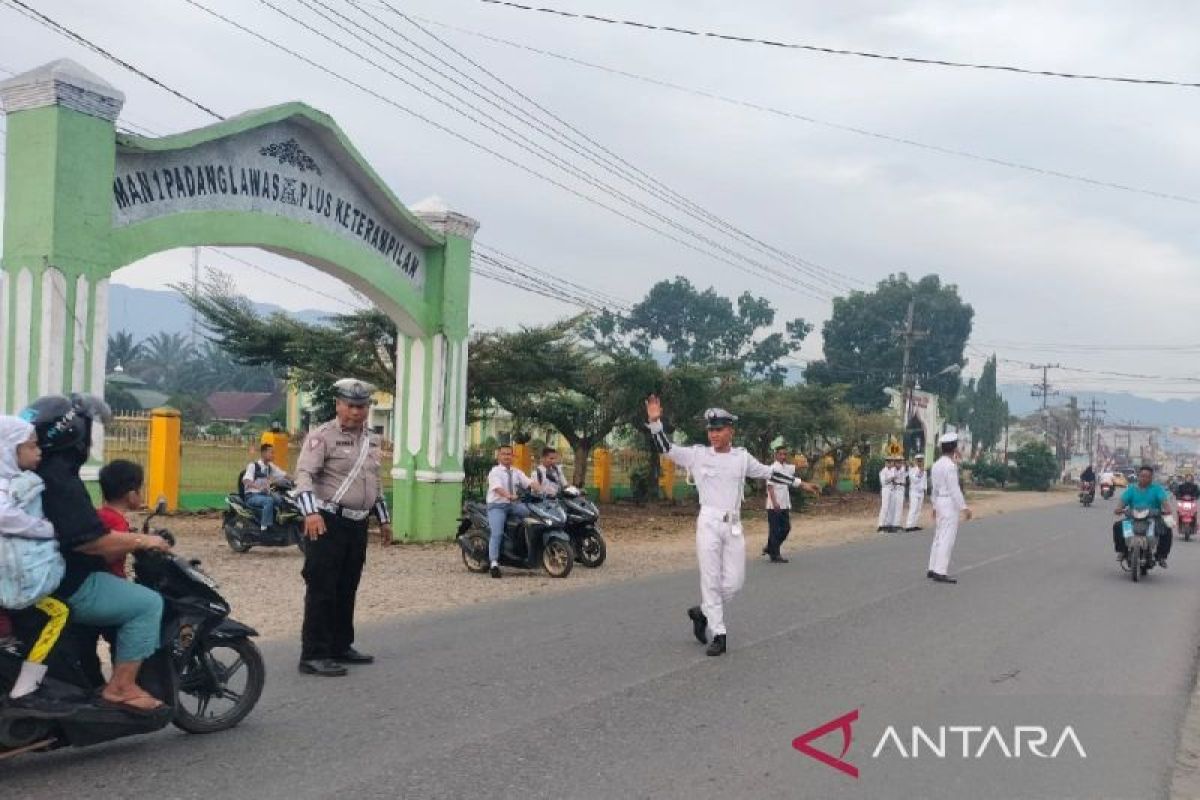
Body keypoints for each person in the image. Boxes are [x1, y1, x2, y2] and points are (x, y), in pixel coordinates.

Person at [22, 394, 170, 713]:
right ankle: (121, 686)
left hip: (28, 577)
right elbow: (92, 542)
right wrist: (145, 542)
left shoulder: (25, 473)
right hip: (64, 583)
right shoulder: (59, 479)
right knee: (147, 603)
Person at [645, 396, 808, 656]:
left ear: (731, 431)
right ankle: (719, 634)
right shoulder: (697, 455)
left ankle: (702, 612)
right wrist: (655, 422)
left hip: (733, 526)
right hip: (708, 523)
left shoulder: (742, 458)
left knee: (734, 582)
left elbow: (769, 473)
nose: (713, 435)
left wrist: (799, 483)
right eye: (710, 430)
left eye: (719, 429)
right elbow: (667, 448)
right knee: (710, 579)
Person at [294, 379, 391, 677]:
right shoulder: (322, 436)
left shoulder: (371, 440)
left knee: (347, 585)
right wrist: (310, 514)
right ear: (338, 404)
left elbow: (375, 482)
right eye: (350, 405)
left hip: (357, 523)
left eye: (362, 406)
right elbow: (304, 476)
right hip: (326, 521)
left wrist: (384, 518)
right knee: (322, 587)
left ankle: (340, 645)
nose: (356, 412)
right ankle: (314, 654)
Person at [0, 415, 72, 717]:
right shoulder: (6, 485)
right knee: (58, 613)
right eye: (31, 445)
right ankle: (26, 688)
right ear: (9, 449)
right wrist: (47, 529)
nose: (38, 450)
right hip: (12, 583)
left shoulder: (15, 482)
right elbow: (4, 516)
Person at [485, 445, 541, 578]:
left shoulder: (516, 472)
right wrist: (508, 495)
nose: (506, 456)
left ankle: (529, 550)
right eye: (503, 454)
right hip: (497, 505)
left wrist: (538, 487)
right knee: (497, 533)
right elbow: (497, 488)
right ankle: (493, 563)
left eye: (509, 454)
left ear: (513, 456)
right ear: (498, 456)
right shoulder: (495, 472)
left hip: (513, 505)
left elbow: (528, 482)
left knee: (534, 516)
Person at [762, 444, 819, 563]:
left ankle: (770, 547)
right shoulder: (773, 468)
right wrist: (775, 502)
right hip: (774, 505)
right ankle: (775, 554)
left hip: (785, 503)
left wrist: (806, 461)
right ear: (776, 455)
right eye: (781, 454)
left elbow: (796, 468)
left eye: (785, 454)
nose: (783, 456)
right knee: (774, 530)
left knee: (786, 528)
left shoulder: (786, 468)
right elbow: (770, 487)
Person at [928, 433, 972, 584]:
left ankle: (932, 568)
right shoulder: (950, 466)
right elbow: (955, 490)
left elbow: (933, 489)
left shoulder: (936, 465)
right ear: (954, 447)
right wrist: (964, 508)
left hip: (939, 501)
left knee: (939, 536)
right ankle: (940, 571)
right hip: (948, 503)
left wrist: (934, 505)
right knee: (947, 537)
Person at [1112, 465, 1173, 568]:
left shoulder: (1157, 489)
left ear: (1151, 478)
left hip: (1152, 519)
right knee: (1117, 526)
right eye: (1142, 476)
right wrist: (1119, 508)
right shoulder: (1131, 489)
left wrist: (1167, 509)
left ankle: (1161, 556)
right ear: (1138, 476)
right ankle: (1122, 551)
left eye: (1147, 476)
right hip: (1132, 518)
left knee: (1167, 529)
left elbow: (1164, 501)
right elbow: (1122, 501)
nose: (1144, 478)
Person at [97, 460, 143, 578]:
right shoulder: (118, 523)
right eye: (140, 490)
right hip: (112, 581)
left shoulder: (99, 515)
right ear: (132, 496)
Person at [242, 443, 289, 531]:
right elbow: (246, 480)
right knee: (269, 501)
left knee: (281, 500)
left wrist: (298, 480)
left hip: (264, 495)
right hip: (252, 496)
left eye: (273, 453)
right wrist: (258, 487)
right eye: (271, 453)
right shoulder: (253, 466)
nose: (273, 455)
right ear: (263, 453)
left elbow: (284, 474)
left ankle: (279, 524)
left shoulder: (270, 467)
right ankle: (264, 528)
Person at [877, 457, 904, 533]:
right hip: (886, 490)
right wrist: (891, 479)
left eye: (891, 462)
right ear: (885, 463)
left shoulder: (893, 470)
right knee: (884, 507)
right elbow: (883, 482)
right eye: (888, 462)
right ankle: (881, 525)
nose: (890, 463)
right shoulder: (883, 471)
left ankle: (889, 525)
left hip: (892, 490)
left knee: (891, 508)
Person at [903, 454, 927, 532]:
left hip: (921, 492)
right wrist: (920, 472)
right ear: (916, 461)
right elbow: (915, 480)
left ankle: (914, 525)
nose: (920, 462)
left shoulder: (924, 470)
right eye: (918, 460)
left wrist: (925, 490)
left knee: (918, 509)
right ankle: (909, 526)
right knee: (913, 509)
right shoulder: (912, 470)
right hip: (914, 492)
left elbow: (924, 482)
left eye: (921, 460)